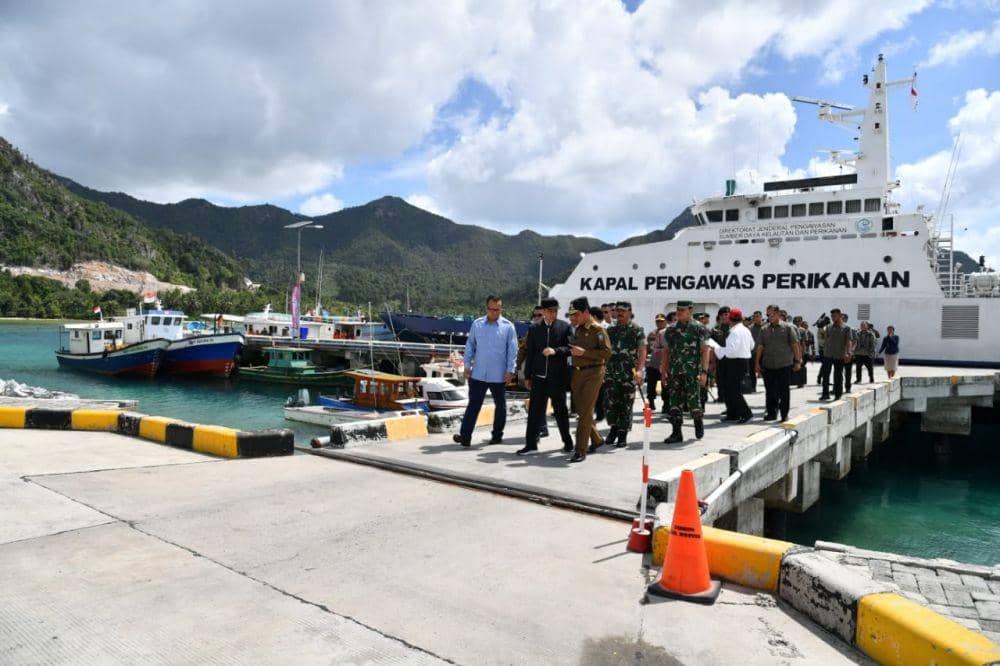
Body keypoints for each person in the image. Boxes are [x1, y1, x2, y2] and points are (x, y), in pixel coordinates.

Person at [452, 296, 518, 447]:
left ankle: (497, 436)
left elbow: (513, 351)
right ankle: (465, 436)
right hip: (478, 374)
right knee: (473, 405)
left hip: (499, 375)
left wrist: (510, 370)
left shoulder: (508, 327)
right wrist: (467, 365)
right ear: (486, 308)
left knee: (500, 406)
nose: (494, 312)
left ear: (502, 308)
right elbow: (470, 346)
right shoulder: (477, 324)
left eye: (497, 309)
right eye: (491, 309)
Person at [517, 298, 574, 455]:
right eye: (550, 311)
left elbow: (570, 349)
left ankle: (568, 443)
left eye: (555, 311)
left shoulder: (565, 327)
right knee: (535, 411)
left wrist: (556, 351)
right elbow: (531, 353)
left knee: (560, 411)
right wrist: (527, 376)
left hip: (557, 378)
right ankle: (531, 444)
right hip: (539, 377)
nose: (553, 314)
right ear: (543, 312)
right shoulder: (534, 329)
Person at [595, 301, 646, 450]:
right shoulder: (610, 330)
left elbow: (642, 350)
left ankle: (622, 434)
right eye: (617, 311)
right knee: (610, 403)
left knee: (626, 404)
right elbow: (604, 350)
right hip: (611, 372)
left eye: (623, 311)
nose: (619, 313)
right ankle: (613, 429)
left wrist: (640, 370)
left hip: (628, 374)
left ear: (630, 312)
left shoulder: (636, 330)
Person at [567, 297, 610, 463]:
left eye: (576, 315)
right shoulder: (578, 329)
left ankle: (580, 450)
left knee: (585, 413)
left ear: (586, 312)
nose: (573, 318)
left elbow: (606, 353)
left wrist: (583, 353)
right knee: (581, 410)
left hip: (594, 373)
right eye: (571, 315)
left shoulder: (598, 330)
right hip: (578, 373)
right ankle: (598, 440)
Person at [661, 300, 711, 443]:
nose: (679, 313)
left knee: (694, 401)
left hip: (692, 372)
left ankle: (698, 422)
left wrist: (704, 372)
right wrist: (663, 372)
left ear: (690, 311)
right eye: (678, 310)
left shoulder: (699, 328)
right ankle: (676, 433)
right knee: (674, 403)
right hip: (675, 372)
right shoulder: (671, 330)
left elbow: (705, 351)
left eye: (682, 310)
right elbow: (666, 352)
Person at [755, 305, 802, 422]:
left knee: (784, 390)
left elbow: (795, 345)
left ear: (778, 314)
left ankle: (784, 414)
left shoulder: (788, 328)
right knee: (770, 391)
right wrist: (756, 363)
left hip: (784, 364)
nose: (769, 317)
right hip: (768, 364)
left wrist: (798, 361)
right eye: (767, 315)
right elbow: (760, 347)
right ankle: (771, 413)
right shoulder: (764, 329)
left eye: (771, 314)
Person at [707, 307, 754, 423]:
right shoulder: (745, 330)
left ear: (731, 319)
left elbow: (730, 351)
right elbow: (752, 345)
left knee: (733, 390)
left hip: (734, 362)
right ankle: (733, 413)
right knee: (729, 389)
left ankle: (746, 413)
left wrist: (716, 347)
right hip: (742, 361)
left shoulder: (734, 331)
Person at [819, 308, 853, 401]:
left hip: (839, 354)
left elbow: (848, 341)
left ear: (840, 315)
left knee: (838, 375)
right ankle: (825, 394)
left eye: (834, 316)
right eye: (832, 316)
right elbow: (826, 339)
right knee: (825, 375)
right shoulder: (829, 327)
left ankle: (838, 394)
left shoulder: (846, 328)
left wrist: (848, 352)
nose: (833, 318)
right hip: (828, 354)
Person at [590, 305, 610, 422]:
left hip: (602, 363)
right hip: (597, 363)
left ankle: (601, 413)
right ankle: (600, 412)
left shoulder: (603, 328)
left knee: (601, 390)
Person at [645, 314, 667, 412]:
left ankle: (666, 405)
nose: (659, 323)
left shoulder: (668, 333)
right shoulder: (652, 334)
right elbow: (649, 348)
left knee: (665, 385)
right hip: (653, 363)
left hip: (665, 363)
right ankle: (651, 402)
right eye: (658, 321)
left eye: (661, 321)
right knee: (651, 384)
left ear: (665, 322)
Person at [711, 307, 731, 408]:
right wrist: (712, 361)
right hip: (720, 359)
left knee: (731, 383)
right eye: (723, 315)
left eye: (727, 314)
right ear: (719, 317)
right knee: (720, 380)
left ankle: (731, 404)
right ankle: (722, 399)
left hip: (732, 360)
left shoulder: (734, 329)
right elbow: (710, 345)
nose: (725, 317)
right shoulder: (715, 330)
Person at [842, 314, 856, 392]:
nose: (841, 320)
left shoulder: (851, 329)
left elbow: (855, 341)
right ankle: (837, 388)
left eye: (843, 318)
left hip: (848, 354)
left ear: (846, 320)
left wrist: (850, 351)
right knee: (838, 372)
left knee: (847, 372)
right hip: (838, 354)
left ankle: (848, 387)